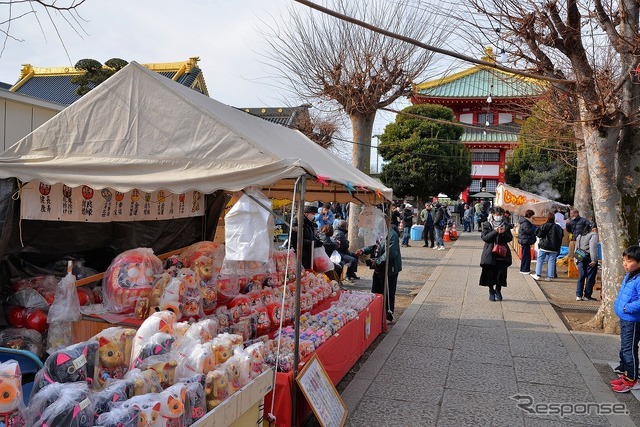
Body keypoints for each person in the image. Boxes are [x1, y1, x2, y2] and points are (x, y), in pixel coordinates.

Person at [355, 225, 402, 322]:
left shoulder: (392, 235)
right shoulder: (379, 233)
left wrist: (376, 261)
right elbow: (373, 245)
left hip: (389, 268)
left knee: (388, 293)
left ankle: (388, 315)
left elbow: (390, 254)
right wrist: (363, 250)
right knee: (376, 291)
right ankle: (376, 313)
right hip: (378, 267)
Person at [610, 245, 640, 393]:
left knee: (629, 350)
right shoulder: (630, 275)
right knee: (625, 348)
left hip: (633, 320)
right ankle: (626, 373)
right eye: (624, 260)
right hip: (625, 318)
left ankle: (632, 379)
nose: (625, 264)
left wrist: (626, 308)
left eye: (629, 261)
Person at [479, 206, 513, 301]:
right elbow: (485, 238)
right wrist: (495, 231)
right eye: (497, 215)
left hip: (502, 253)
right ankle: (491, 290)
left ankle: (498, 290)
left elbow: (510, 238)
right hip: (490, 252)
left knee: (501, 274)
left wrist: (503, 233)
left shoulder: (505, 224)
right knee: (490, 273)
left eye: (500, 215)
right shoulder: (487, 224)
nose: (498, 216)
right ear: (492, 214)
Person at [531, 212, 564, 281]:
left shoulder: (544, 225)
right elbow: (561, 236)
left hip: (544, 246)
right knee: (551, 261)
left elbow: (539, 234)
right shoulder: (558, 227)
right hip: (554, 247)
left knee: (540, 260)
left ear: (547, 218)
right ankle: (549, 276)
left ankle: (538, 275)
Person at [290, 204, 323, 269]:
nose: (313, 215)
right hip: (301, 253)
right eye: (312, 213)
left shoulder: (309, 222)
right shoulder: (298, 221)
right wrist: (313, 243)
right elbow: (296, 239)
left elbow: (311, 235)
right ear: (306, 213)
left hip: (308, 253)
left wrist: (317, 241)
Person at [575, 223, 599, 301]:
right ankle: (587, 295)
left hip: (580, 256)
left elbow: (576, 248)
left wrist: (576, 260)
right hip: (588, 256)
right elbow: (593, 248)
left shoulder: (580, 235)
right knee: (590, 277)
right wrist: (594, 260)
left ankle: (578, 295)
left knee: (581, 276)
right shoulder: (593, 235)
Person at [517, 209, 537, 274]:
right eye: (532, 216)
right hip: (525, 241)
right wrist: (534, 226)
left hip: (525, 240)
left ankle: (525, 268)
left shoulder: (525, 221)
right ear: (530, 216)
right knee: (526, 256)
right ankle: (524, 270)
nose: (533, 217)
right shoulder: (526, 222)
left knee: (526, 255)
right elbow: (528, 231)